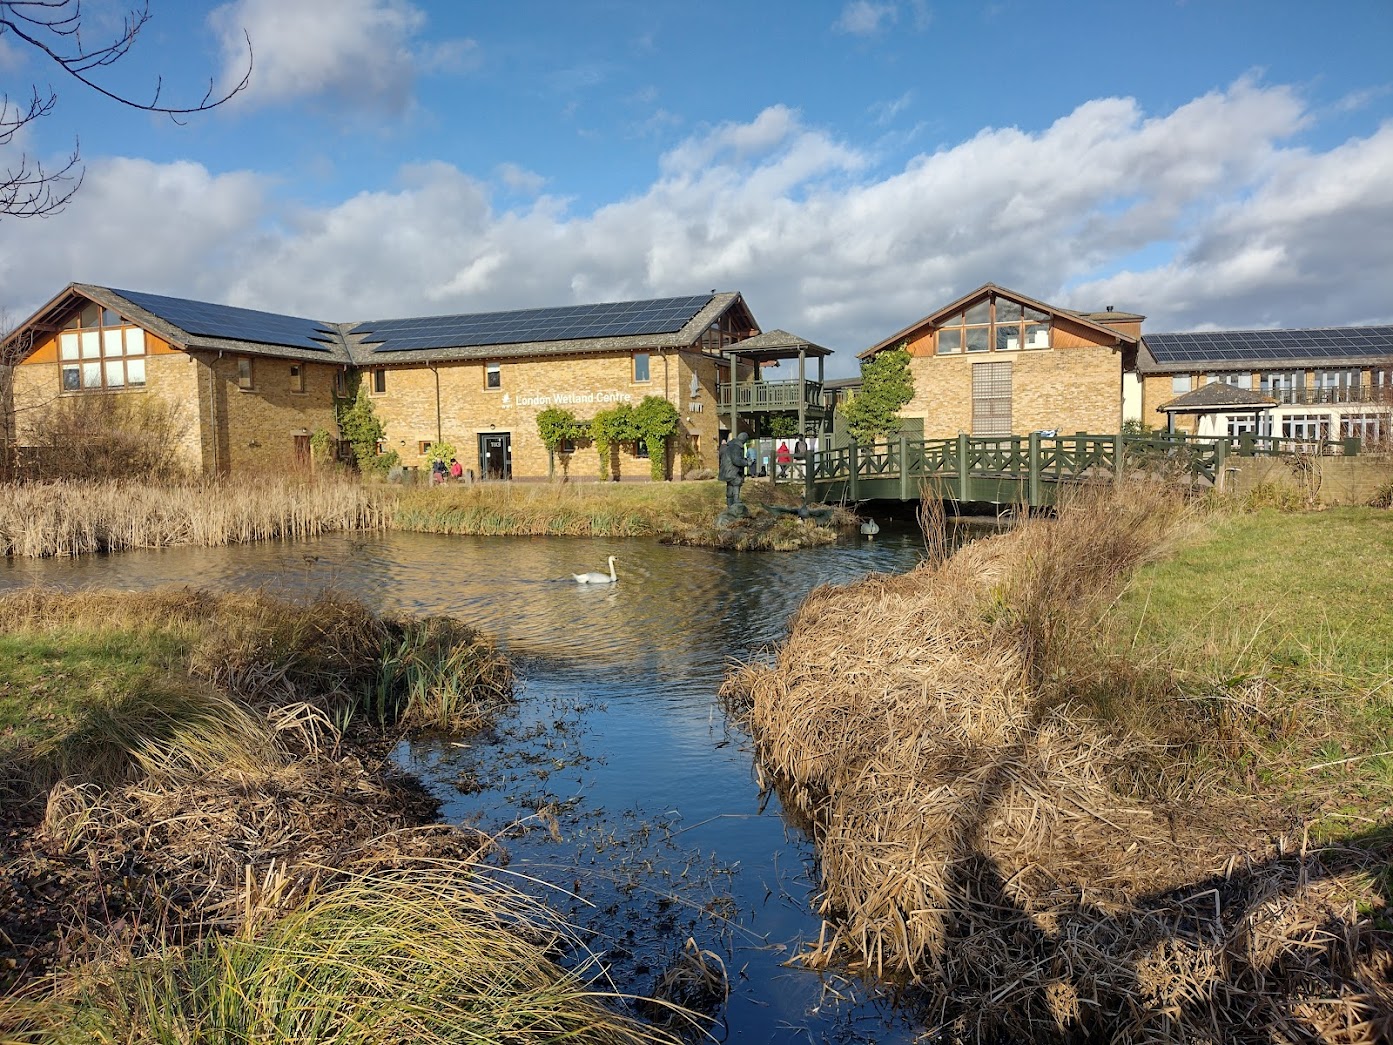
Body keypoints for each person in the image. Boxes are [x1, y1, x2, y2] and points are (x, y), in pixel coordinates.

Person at [718, 432, 750, 506]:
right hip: (732, 470)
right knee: (737, 481)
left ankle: (730, 505)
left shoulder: (730, 445)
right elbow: (736, 460)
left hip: (726, 470)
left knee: (730, 486)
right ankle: (736, 501)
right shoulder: (736, 447)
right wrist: (746, 463)